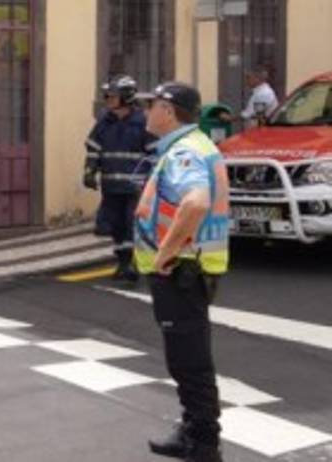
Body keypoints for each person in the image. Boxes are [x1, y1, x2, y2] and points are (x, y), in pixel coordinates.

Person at [136, 82, 230, 462]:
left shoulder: (185, 153)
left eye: (152, 106)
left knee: (189, 362)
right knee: (190, 358)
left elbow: (195, 203)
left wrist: (165, 254)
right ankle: (194, 430)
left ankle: (203, 443)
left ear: (169, 112)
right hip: (192, 268)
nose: (147, 113)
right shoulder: (197, 146)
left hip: (181, 270)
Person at [83, 75, 157, 284]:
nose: (108, 99)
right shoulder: (104, 121)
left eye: (112, 96)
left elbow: (154, 155)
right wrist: (89, 171)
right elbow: (93, 148)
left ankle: (132, 264)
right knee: (115, 226)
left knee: (131, 224)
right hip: (111, 186)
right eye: (107, 96)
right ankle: (123, 263)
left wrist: (150, 182)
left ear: (126, 97)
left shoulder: (143, 122)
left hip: (135, 187)